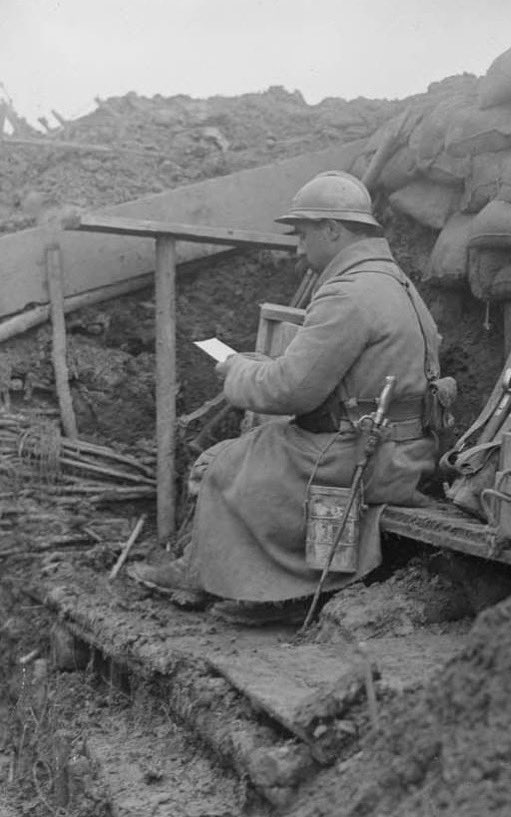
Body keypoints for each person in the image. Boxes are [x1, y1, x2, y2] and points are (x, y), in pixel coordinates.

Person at [130, 171, 444, 622]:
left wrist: (238, 369)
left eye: (303, 234)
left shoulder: (348, 293)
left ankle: (274, 593)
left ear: (333, 230)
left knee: (219, 465)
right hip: (401, 448)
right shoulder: (394, 282)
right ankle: (214, 572)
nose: (298, 248)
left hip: (360, 456)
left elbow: (290, 392)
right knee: (255, 452)